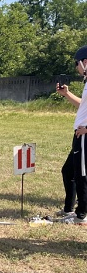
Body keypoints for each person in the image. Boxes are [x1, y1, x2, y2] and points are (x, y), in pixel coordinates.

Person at [56, 44, 87, 225]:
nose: (76, 68)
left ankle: (81, 216)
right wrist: (67, 94)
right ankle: (69, 208)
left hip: (84, 135)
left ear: (85, 62)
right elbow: (83, 106)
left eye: (77, 63)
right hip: (79, 135)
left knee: (82, 175)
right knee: (69, 171)